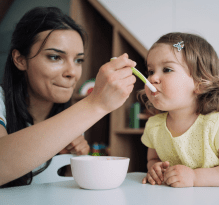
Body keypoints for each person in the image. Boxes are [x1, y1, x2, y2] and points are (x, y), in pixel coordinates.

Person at [0, 7, 136, 188]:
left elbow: (65, 186)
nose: (72, 72)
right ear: (20, 59)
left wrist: (84, 155)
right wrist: (95, 104)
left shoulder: (69, 118)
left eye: (79, 60)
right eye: (55, 57)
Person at [139, 32, 219, 187]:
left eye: (166, 69)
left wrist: (194, 177)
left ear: (200, 83)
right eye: (151, 71)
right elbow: (153, 159)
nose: (152, 78)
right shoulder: (154, 126)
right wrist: (155, 169)